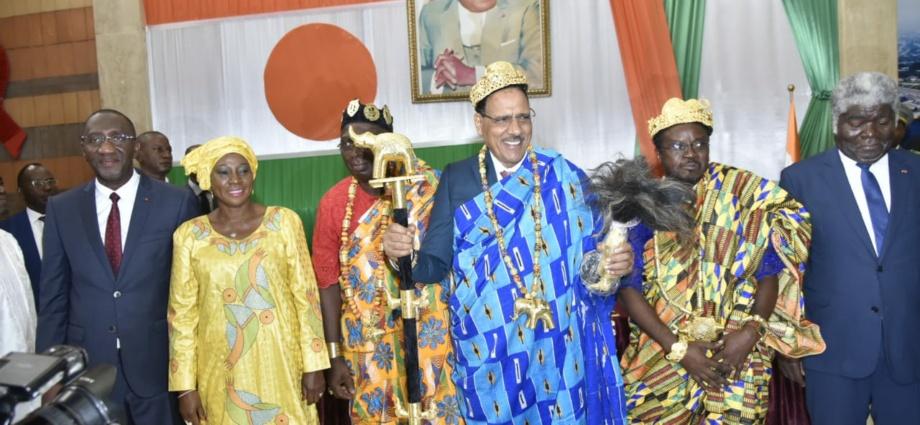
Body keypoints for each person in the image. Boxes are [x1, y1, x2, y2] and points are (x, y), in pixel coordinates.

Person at [383, 61, 631, 424]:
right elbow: (434, 265)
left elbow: (592, 264)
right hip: (487, 352)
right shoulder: (457, 178)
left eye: (523, 118)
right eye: (501, 120)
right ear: (479, 123)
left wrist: (613, 265)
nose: (515, 130)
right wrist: (401, 255)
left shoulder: (562, 175)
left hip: (558, 347)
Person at [618, 98, 825, 424]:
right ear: (658, 152)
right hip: (662, 352)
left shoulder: (742, 196)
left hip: (735, 352)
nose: (690, 154)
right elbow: (629, 289)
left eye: (699, 144)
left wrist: (750, 332)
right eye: (678, 146)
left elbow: (767, 274)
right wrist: (679, 350)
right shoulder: (643, 208)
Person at [36, 109, 200, 424]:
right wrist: (50, 374)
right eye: (95, 139)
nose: (106, 148)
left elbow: (193, 294)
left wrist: (192, 375)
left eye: (117, 138)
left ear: (135, 146)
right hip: (87, 374)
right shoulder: (62, 209)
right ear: (84, 148)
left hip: (158, 368)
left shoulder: (175, 202)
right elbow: (53, 298)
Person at [779, 72, 920, 425]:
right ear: (836, 124)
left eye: (881, 121)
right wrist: (786, 343)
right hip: (832, 349)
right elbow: (786, 270)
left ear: (895, 122)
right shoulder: (800, 180)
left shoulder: (916, 172)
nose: (870, 133)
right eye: (856, 122)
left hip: (909, 346)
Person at [311, 99, 461, 424]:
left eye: (366, 141)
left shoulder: (431, 188)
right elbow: (327, 283)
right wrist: (334, 357)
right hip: (367, 346)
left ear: (390, 143)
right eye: (346, 143)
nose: (354, 152)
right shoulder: (334, 203)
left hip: (432, 337)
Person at [169, 137, 329, 425]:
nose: (235, 179)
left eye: (243, 170)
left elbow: (306, 298)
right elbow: (182, 316)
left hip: (283, 363)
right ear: (208, 179)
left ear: (253, 176)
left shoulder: (284, 222)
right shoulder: (189, 236)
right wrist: (185, 387)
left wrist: (314, 364)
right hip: (219, 370)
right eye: (223, 172)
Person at [418, 0, 543, 95]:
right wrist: (437, 77)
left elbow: (539, 76)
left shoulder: (527, 7)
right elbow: (417, 76)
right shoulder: (430, 14)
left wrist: (473, 75)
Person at [0, 162, 57, 305]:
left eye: (50, 181)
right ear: (21, 191)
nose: (47, 187)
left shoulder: (73, 222)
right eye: (37, 183)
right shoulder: (7, 231)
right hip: (34, 311)